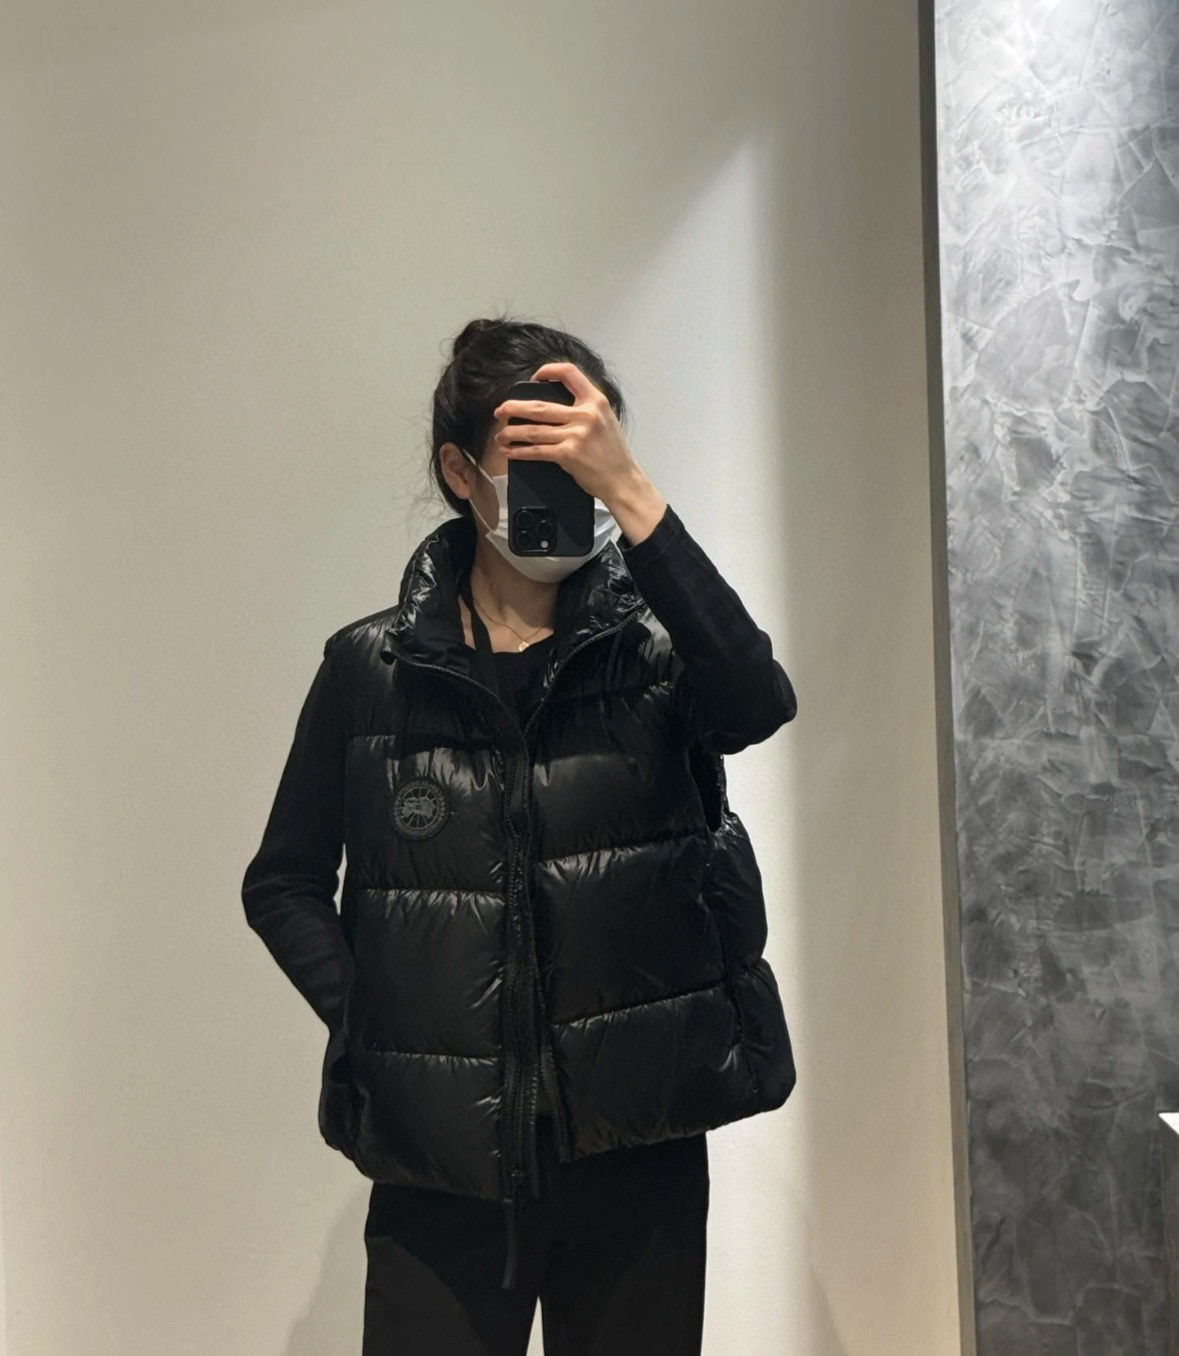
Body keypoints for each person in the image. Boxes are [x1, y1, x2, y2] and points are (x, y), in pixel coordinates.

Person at [241, 316, 799, 1355]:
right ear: (462, 473)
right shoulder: (372, 670)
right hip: (439, 1169)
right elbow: (282, 882)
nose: (566, 495)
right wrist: (378, 1020)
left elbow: (756, 703)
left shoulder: (657, 654)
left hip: (636, 1153)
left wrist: (635, 497)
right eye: (536, 466)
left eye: (585, 463)